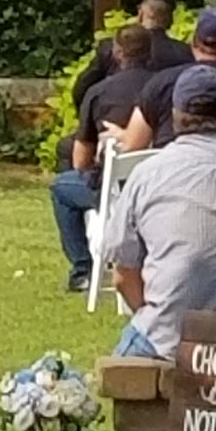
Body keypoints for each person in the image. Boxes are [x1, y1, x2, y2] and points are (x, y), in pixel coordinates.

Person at [106, 64, 216, 360]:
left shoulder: (148, 174)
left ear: (175, 114)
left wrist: (154, 317)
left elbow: (123, 275)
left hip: (168, 342)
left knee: (122, 365)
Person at [49, 25, 154, 293]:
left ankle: (82, 269)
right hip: (159, 187)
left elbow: (80, 160)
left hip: (114, 192)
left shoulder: (98, 92)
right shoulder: (165, 88)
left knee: (61, 187)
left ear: (117, 53)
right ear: (150, 51)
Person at [109, 3, 216, 153]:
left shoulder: (161, 83)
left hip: (170, 165)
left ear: (193, 43)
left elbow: (132, 146)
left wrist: (121, 135)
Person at [72, 0, 190, 111]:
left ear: (141, 14)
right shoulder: (184, 53)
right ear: (170, 20)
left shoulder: (112, 47)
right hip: (162, 118)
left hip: (115, 114)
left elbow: (82, 88)